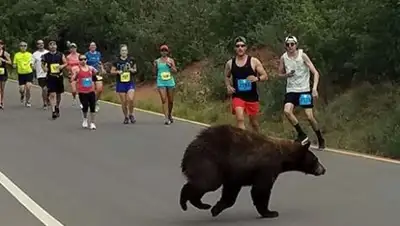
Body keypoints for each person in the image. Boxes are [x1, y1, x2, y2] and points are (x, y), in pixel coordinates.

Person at [278, 35, 325, 149]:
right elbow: (279, 74)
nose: (290, 47)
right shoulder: (284, 58)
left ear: (296, 45)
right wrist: (286, 75)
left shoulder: (302, 56)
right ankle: (302, 134)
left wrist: (314, 88)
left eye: (292, 44)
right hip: (291, 90)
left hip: (304, 90)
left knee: (309, 116)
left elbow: (315, 73)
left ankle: (319, 137)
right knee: (287, 111)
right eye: (288, 45)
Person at [224, 36, 268, 133]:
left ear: (246, 47)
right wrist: (228, 86)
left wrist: (257, 78)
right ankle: (243, 142)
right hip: (238, 96)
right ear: (235, 48)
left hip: (252, 97)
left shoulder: (254, 61)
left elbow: (265, 76)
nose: (240, 48)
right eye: (238, 46)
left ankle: (258, 139)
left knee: (254, 123)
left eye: (242, 46)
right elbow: (226, 76)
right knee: (240, 119)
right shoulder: (230, 63)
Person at [110, 44, 137, 124]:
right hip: (121, 83)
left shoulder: (131, 60)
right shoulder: (116, 61)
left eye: (125, 50)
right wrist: (118, 72)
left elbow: (135, 70)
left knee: (131, 99)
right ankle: (126, 117)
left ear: (127, 51)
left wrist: (132, 70)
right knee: (124, 102)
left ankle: (131, 114)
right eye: (122, 51)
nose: (124, 52)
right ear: (120, 52)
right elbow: (112, 71)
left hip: (130, 82)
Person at [41, 40, 67, 119]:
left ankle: (57, 107)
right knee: (52, 94)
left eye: (54, 45)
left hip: (59, 76)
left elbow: (66, 62)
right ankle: (53, 111)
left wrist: (62, 66)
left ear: (56, 46)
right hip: (51, 76)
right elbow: (42, 64)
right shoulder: (45, 55)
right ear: (48, 47)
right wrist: (44, 68)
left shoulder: (60, 54)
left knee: (58, 94)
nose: (52, 46)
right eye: (51, 45)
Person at [71, 54, 97, 129]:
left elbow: (96, 73)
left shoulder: (90, 68)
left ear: (86, 60)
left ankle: (92, 122)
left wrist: (97, 73)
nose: (83, 61)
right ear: (79, 61)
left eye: (84, 59)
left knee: (92, 106)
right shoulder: (77, 69)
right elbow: (73, 79)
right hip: (82, 91)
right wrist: (74, 76)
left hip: (91, 90)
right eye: (81, 59)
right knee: (85, 106)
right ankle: (85, 119)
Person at [153, 44, 177, 125]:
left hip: (170, 81)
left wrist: (170, 66)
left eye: (165, 50)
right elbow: (154, 72)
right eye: (162, 51)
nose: (164, 52)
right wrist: (154, 66)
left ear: (167, 52)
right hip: (161, 81)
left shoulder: (170, 60)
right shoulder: (157, 61)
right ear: (160, 52)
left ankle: (170, 114)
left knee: (171, 100)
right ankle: (166, 118)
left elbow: (175, 71)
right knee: (163, 99)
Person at [13, 41, 34, 107]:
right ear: (19, 47)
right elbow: (14, 63)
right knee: (22, 89)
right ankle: (22, 95)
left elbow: (32, 63)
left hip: (29, 73)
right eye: (21, 46)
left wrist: (33, 66)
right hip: (21, 74)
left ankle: (28, 101)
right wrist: (14, 65)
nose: (23, 47)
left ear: (26, 47)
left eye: (25, 46)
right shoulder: (16, 55)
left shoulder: (30, 54)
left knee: (28, 87)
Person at [85, 42, 104, 112]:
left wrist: (102, 68)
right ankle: (88, 102)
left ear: (96, 47)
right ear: (89, 47)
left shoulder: (98, 54)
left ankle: (95, 101)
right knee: (90, 90)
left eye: (94, 45)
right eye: (91, 45)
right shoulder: (87, 54)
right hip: (89, 74)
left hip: (98, 73)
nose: (93, 46)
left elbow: (99, 62)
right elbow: (83, 63)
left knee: (100, 89)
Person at [32, 39, 50, 109]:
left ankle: (47, 98)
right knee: (44, 88)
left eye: (42, 43)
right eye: (39, 43)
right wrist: (34, 68)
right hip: (40, 75)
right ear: (37, 45)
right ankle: (45, 103)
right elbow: (32, 64)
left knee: (49, 89)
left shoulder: (48, 52)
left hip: (49, 73)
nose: (41, 44)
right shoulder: (35, 54)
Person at [66, 42, 81, 107]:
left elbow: (82, 63)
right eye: (72, 48)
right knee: (74, 90)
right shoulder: (68, 57)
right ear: (70, 49)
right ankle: (74, 97)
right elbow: (67, 65)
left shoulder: (79, 55)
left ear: (76, 48)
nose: (73, 49)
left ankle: (82, 101)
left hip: (79, 73)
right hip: (72, 74)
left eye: (74, 48)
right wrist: (69, 71)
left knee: (81, 89)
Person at [0, 40, 12, 109]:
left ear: (3, 45)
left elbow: (10, 62)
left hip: (3, 72)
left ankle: (1, 102)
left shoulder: (5, 53)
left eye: (1, 44)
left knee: (2, 88)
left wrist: (4, 60)